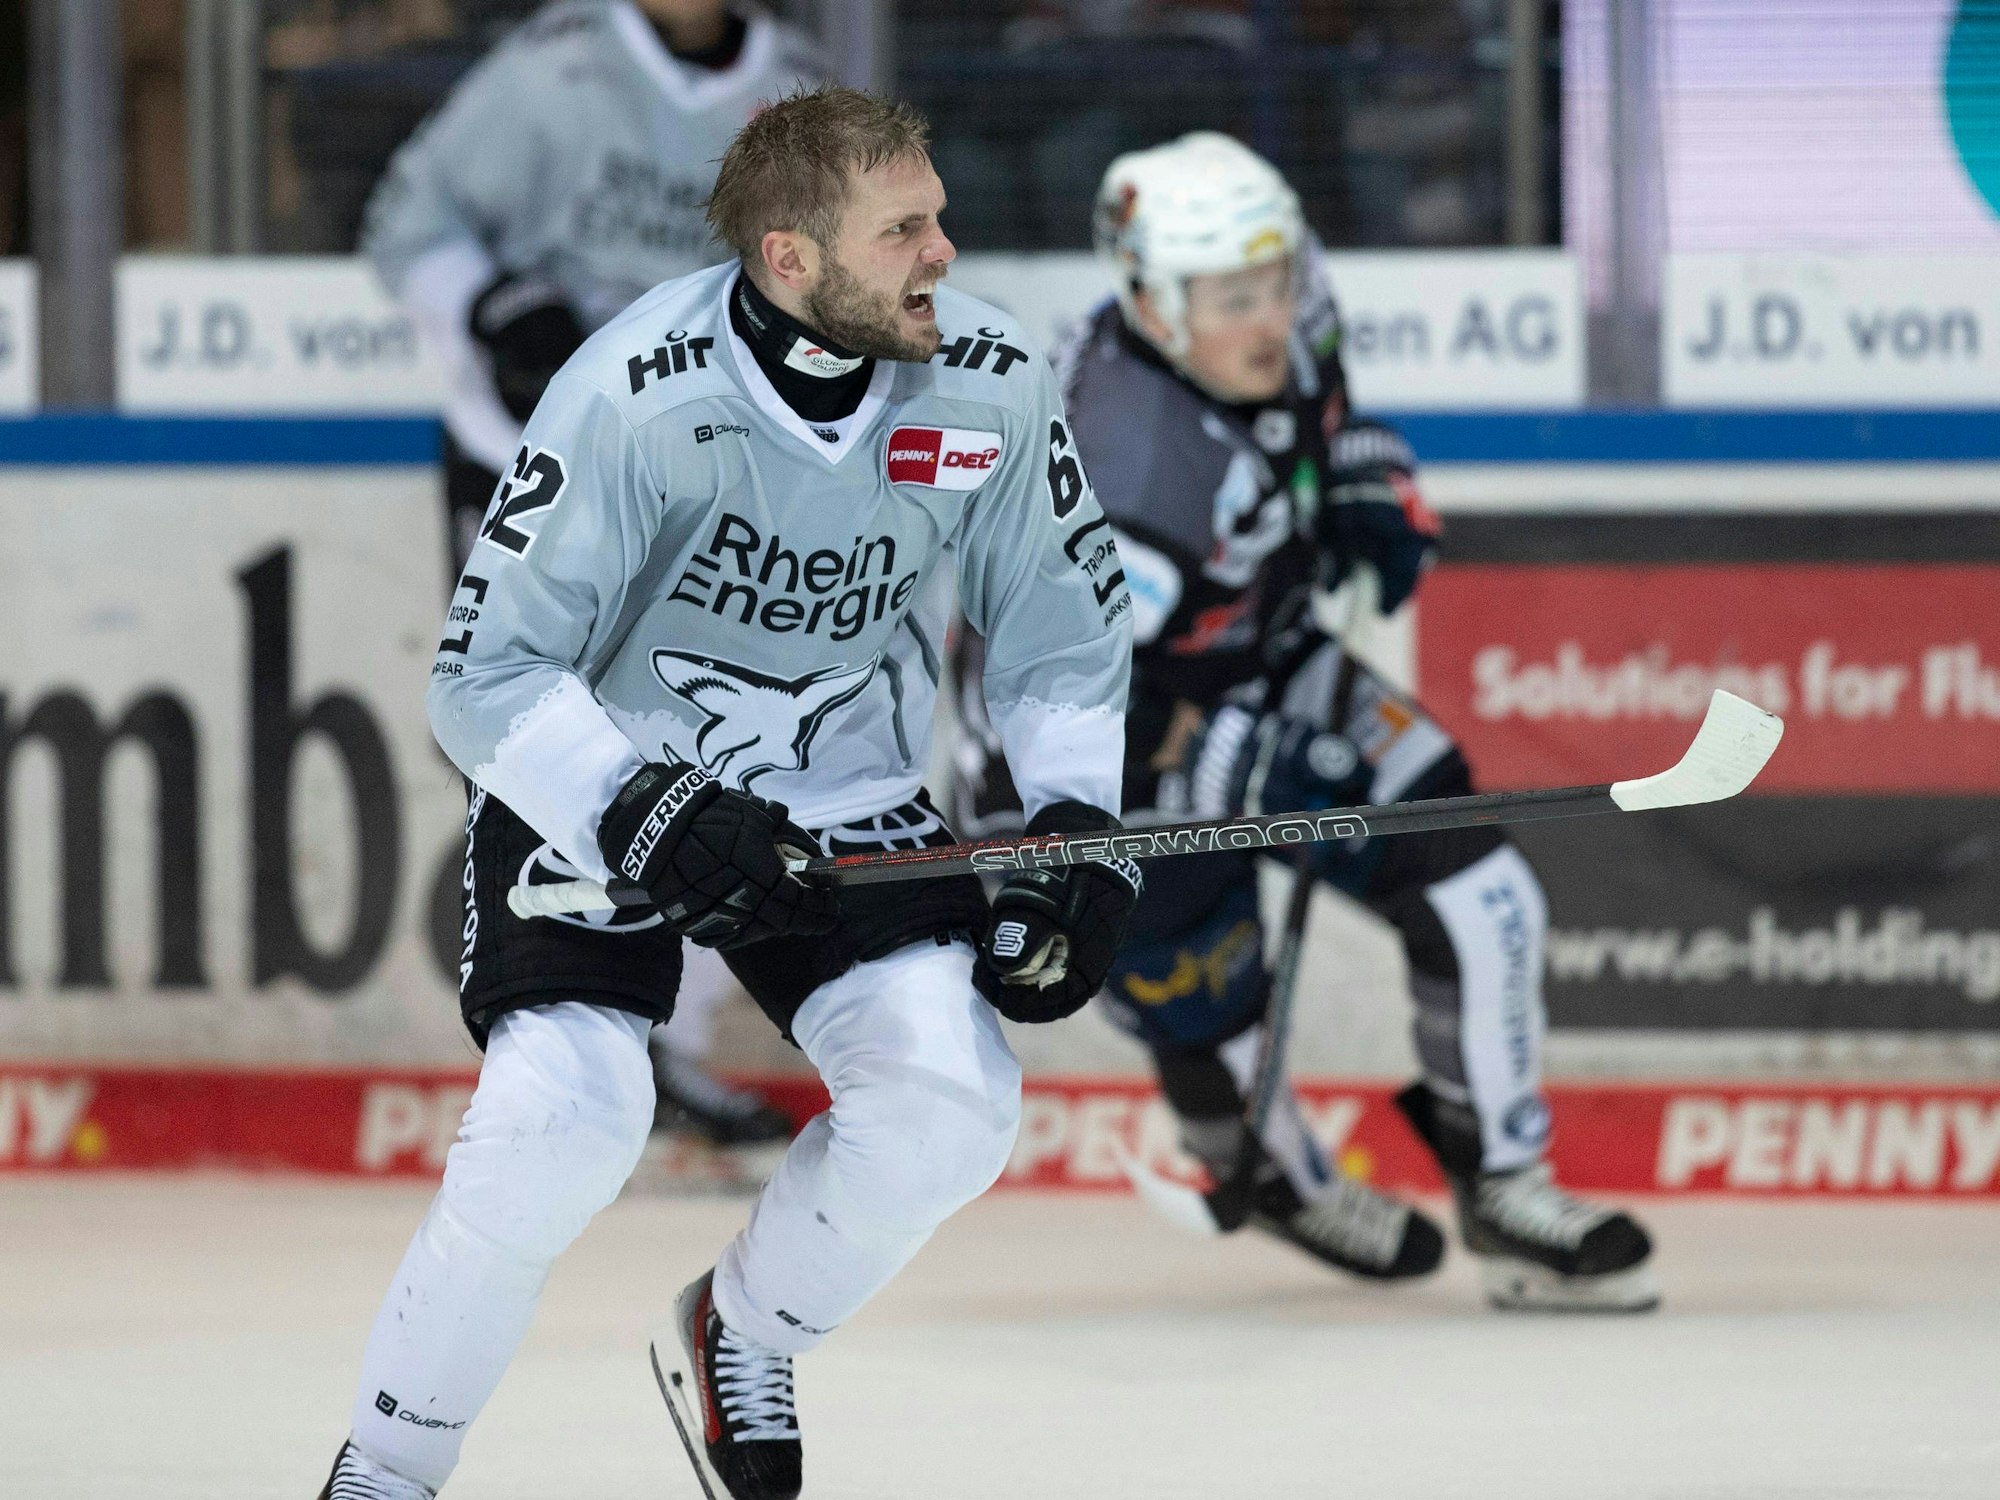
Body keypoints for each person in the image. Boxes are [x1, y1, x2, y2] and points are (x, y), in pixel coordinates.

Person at [317, 87, 1138, 1500]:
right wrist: (638, 806)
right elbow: (482, 675)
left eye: (937, 218)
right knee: (559, 1122)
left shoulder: (990, 376)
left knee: (949, 1105)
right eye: (902, 231)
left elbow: (1061, 631)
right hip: (611, 780)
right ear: (789, 258)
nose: (943, 253)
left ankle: (739, 1332)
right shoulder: (631, 392)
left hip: (842, 782)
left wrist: (1073, 827)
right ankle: (387, 1471)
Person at [954, 132, 1657, 1312]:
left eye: (1274, 281)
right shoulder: (1127, 472)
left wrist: (1356, 475)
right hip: (1090, 772)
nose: (1269, 317)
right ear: (1151, 302)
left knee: (1480, 886)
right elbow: (1039, 694)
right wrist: (1230, 757)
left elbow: (1312, 415)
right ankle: (1270, 1174)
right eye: (1233, 300)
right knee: (1202, 991)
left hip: (1262, 659)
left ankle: (1501, 1179)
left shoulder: (1290, 301)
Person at [363, 0, 823, 1150]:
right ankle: (554, 1044)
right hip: (531, 453)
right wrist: (490, 304)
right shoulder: (553, 70)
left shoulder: (798, 89)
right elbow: (409, 223)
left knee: (715, 735)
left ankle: (662, 1047)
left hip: (699, 468)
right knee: (536, 727)